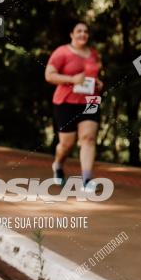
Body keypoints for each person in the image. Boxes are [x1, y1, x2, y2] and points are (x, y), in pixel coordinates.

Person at [45, 21, 103, 193]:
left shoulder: (93, 54)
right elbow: (49, 75)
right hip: (66, 102)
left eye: (85, 31)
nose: (82, 34)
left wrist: (98, 83)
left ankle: (86, 180)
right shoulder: (62, 52)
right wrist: (71, 80)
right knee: (66, 144)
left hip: (91, 100)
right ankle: (58, 164)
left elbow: (94, 76)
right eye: (79, 31)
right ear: (71, 34)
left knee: (88, 138)